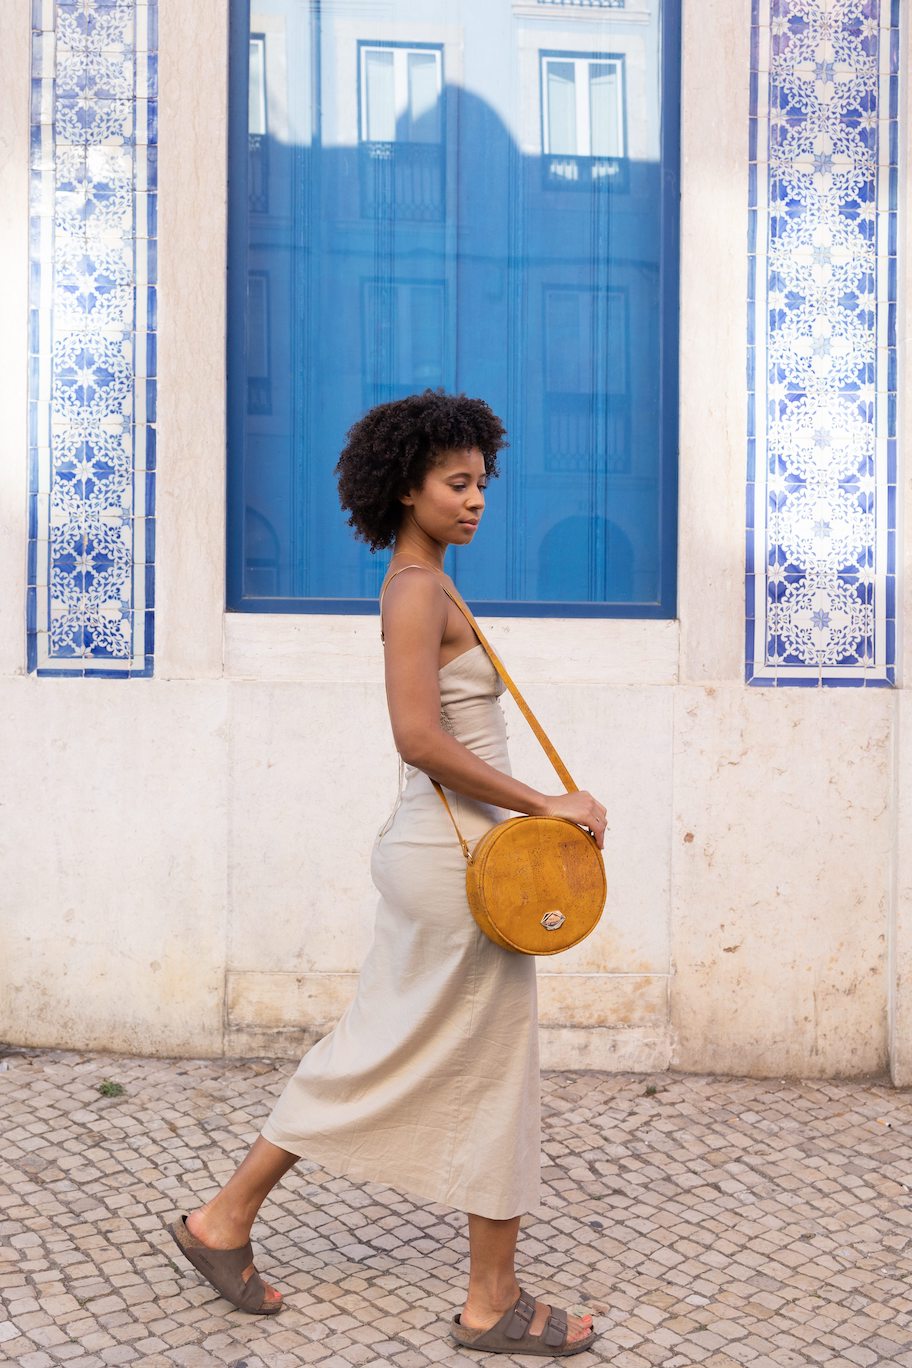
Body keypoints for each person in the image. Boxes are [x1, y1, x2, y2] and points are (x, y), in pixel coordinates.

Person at [168, 390, 608, 1357]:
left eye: (482, 482)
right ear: (407, 488)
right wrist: (547, 803)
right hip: (456, 865)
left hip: (451, 858)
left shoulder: (432, 584)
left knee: (376, 1047)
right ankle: (491, 1303)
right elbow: (417, 737)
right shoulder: (415, 590)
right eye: (456, 482)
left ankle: (222, 1221)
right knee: (495, 1074)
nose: (476, 499)